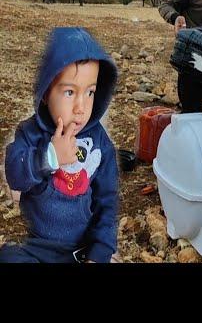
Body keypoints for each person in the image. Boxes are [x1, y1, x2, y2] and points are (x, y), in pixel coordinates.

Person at [1, 27, 119, 263]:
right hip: (35, 247)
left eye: (90, 92)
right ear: (45, 93)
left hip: (79, 251)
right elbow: (15, 174)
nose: (81, 107)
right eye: (69, 92)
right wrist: (50, 157)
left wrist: (99, 253)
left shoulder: (98, 143)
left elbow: (107, 201)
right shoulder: (30, 132)